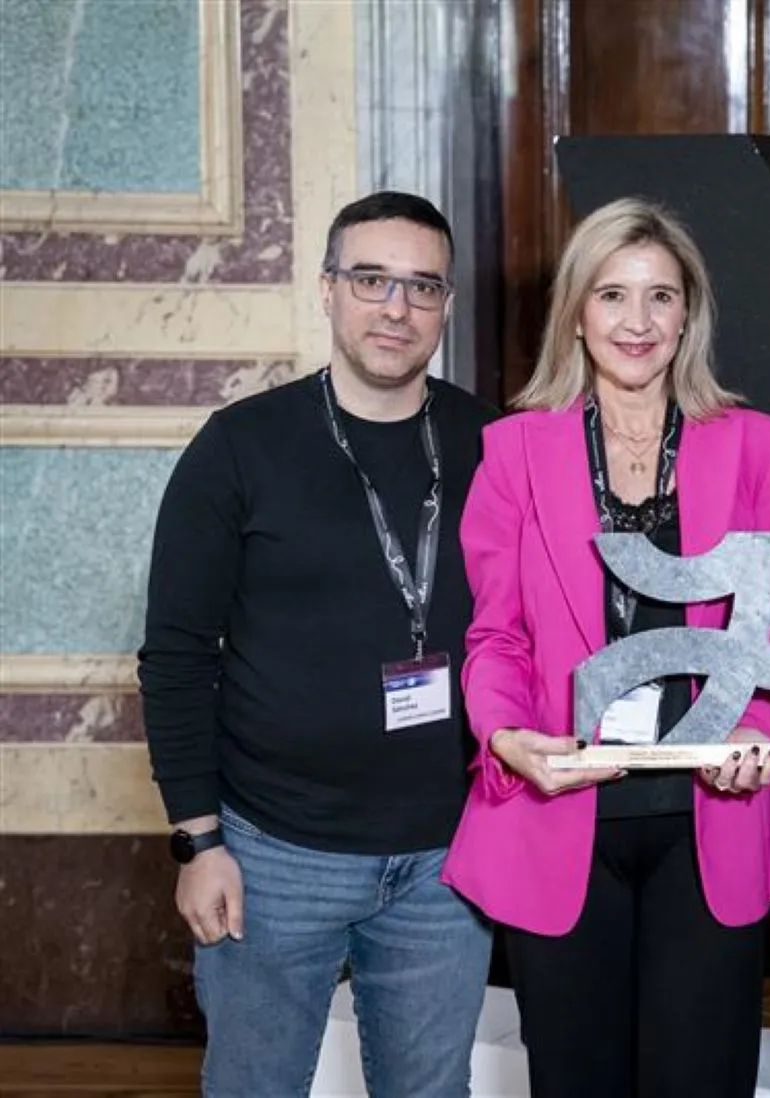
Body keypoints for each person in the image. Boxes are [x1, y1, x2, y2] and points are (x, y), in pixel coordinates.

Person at [440, 197, 770, 1098]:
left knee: (701, 1078)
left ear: (690, 312)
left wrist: (756, 728)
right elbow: (494, 635)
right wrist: (504, 736)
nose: (636, 323)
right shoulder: (515, 450)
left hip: (709, 814)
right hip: (561, 808)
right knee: (575, 1080)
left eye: (660, 297)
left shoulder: (756, 444)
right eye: (612, 295)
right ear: (576, 311)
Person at [139, 191, 497, 1095]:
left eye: (422, 287)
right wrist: (196, 842)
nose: (396, 307)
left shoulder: (493, 442)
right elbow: (178, 655)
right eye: (371, 279)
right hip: (271, 854)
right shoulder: (238, 448)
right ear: (329, 290)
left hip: (444, 863)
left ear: (446, 307)